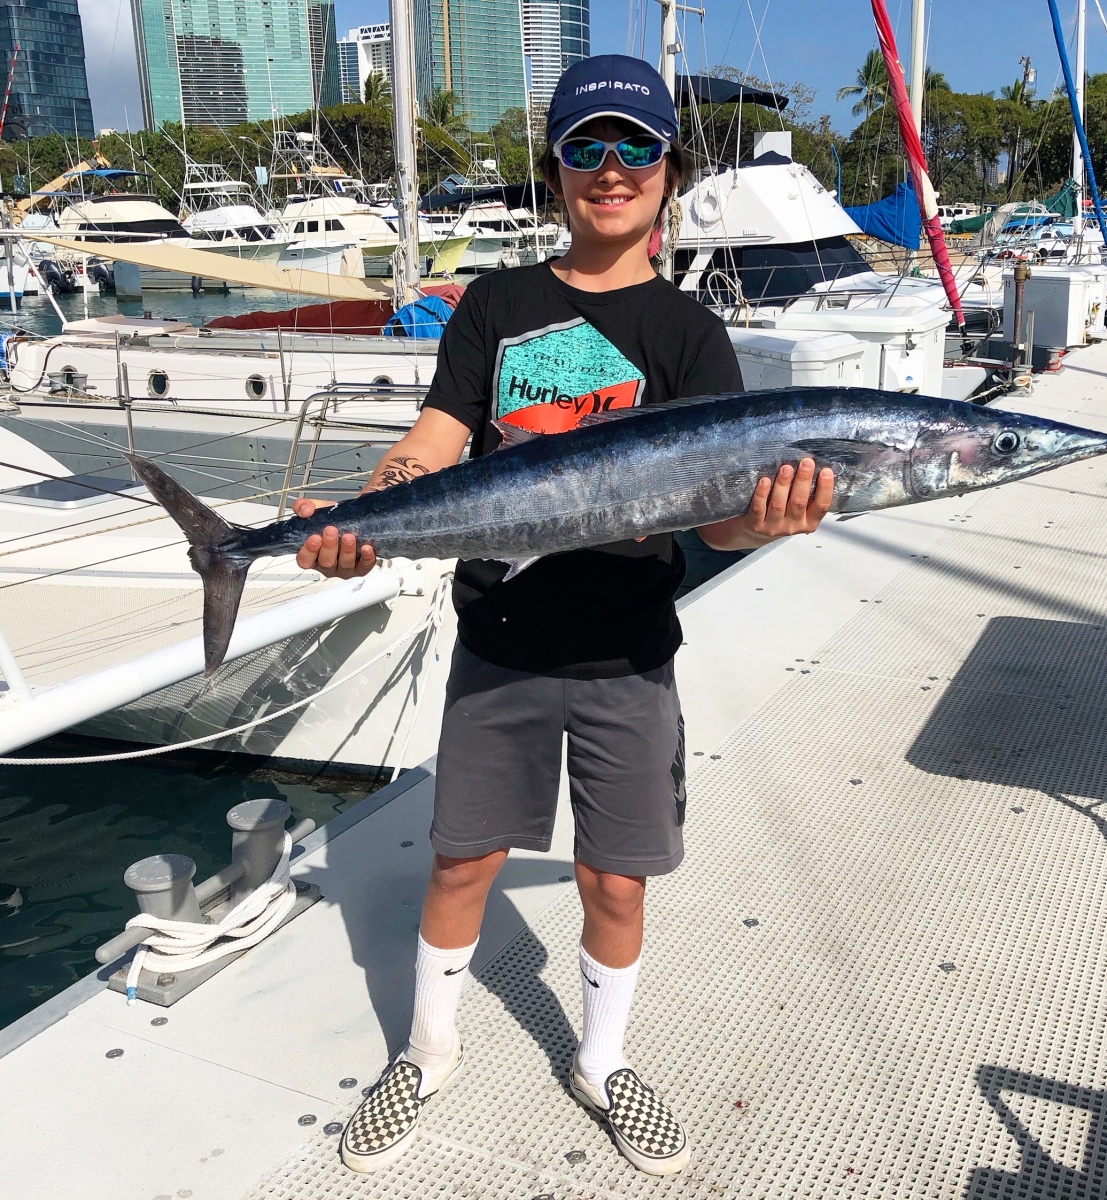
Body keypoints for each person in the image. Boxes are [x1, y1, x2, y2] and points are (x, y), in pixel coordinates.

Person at [291, 54, 835, 1178]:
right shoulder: (496, 305)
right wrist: (366, 513)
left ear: (668, 170)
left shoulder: (689, 333)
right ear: (555, 170)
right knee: (461, 863)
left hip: (626, 655)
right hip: (501, 641)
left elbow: (715, 522)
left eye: (635, 147)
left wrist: (768, 523)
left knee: (616, 879)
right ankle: (427, 1052)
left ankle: (602, 1060)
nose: (611, 168)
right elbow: (437, 439)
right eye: (587, 147)